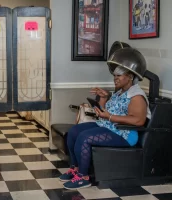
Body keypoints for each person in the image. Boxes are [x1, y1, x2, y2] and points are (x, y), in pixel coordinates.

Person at [59, 62, 151, 190]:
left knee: (84, 137)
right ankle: (75, 168)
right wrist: (104, 97)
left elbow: (138, 121)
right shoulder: (119, 93)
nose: (115, 78)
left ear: (130, 76)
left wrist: (110, 117)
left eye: (119, 75)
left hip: (124, 134)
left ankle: (83, 178)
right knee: (74, 131)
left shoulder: (136, 96)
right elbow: (105, 111)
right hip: (108, 126)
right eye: (114, 76)